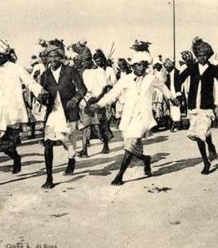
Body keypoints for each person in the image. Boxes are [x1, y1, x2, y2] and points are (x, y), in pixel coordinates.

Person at [90, 41, 180, 185]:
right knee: (133, 148)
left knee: (129, 147)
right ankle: (146, 160)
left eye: (144, 65)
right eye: (138, 65)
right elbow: (113, 94)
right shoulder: (125, 79)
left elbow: (163, 87)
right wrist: (99, 104)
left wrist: (171, 98)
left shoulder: (151, 78)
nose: (142, 68)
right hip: (128, 118)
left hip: (143, 118)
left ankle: (119, 176)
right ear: (133, 66)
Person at [0, 38, 48, 189]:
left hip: (12, 115)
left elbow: (30, 83)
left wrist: (41, 92)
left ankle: (16, 158)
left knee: (6, 147)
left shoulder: (16, 69)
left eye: (1, 54)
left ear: (7, 53)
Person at [36, 39, 87, 188]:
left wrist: (75, 98)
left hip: (68, 112)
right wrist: (41, 97)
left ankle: (71, 156)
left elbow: (82, 89)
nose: (53, 60)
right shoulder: (45, 75)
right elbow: (40, 92)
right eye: (50, 57)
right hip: (53, 113)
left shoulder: (70, 71)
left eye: (56, 56)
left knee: (65, 138)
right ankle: (49, 178)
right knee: (48, 142)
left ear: (61, 56)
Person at [177, 37, 218, 174]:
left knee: (201, 133)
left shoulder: (212, 69)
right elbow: (179, 78)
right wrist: (177, 93)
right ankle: (206, 158)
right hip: (193, 106)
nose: (202, 58)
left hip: (206, 106)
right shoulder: (192, 68)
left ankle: (207, 159)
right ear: (196, 56)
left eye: (205, 56)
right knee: (199, 135)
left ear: (208, 56)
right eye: (199, 56)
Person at [78, 49, 111, 157]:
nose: (83, 63)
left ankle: (105, 145)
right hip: (86, 100)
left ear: (89, 60)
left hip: (98, 101)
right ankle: (84, 150)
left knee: (101, 126)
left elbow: (104, 87)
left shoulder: (100, 71)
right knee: (85, 125)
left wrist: (97, 100)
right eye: (81, 61)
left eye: (84, 61)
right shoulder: (85, 72)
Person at [163, 58, 182, 132]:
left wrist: (179, 93)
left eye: (168, 67)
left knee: (176, 107)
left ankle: (177, 123)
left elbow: (180, 84)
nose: (167, 69)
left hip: (177, 92)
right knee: (172, 107)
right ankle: (174, 122)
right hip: (171, 92)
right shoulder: (168, 75)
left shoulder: (178, 73)